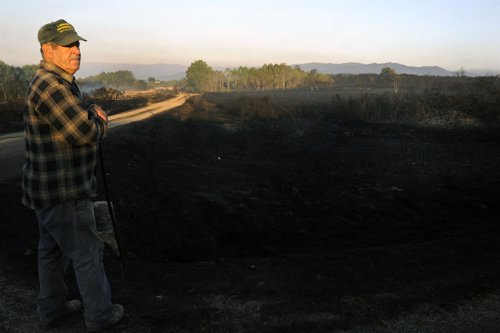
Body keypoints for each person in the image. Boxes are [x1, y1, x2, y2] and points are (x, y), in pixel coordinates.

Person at [22, 19, 124, 331]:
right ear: (47, 49)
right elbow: (84, 130)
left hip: (47, 190)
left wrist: (88, 113)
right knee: (87, 252)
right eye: (67, 45)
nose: (75, 50)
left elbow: (74, 121)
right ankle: (100, 316)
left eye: (77, 44)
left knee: (51, 250)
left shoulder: (56, 83)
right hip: (64, 192)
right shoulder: (52, 87)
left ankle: (51, 308)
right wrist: (100, 119)